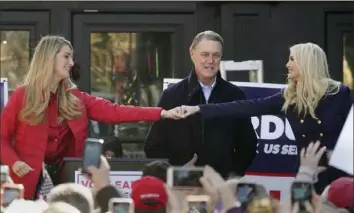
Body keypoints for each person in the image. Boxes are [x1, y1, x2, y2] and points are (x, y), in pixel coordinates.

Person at [0, 35, 182, 199]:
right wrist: (14, 162)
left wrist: (160, 112)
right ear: (49, 57)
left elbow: (115, 111)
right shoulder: (22, 95)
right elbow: (2, 137)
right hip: (28, 185)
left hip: (68, 183)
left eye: (71, 57)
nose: (71, 63)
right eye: (66, 56)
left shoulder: (75, 97)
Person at [181, 42, 353, 193]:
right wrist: (199, 109)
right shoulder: (289, 97)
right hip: (307, 176)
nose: (287, 64)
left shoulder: (341, 95)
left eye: (292, 59)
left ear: (306, 62)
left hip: (340, 177)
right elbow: (246, 106)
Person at [145, 31, 258, 178]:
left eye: (215, 55)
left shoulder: (234, 95)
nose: (210, 60)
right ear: (192, 54)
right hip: (182, 187)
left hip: (220, 187)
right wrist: (175, 173)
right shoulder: (172, 95)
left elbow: (248, 143)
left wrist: (232, 174)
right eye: (205, 54)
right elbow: (153, 146)